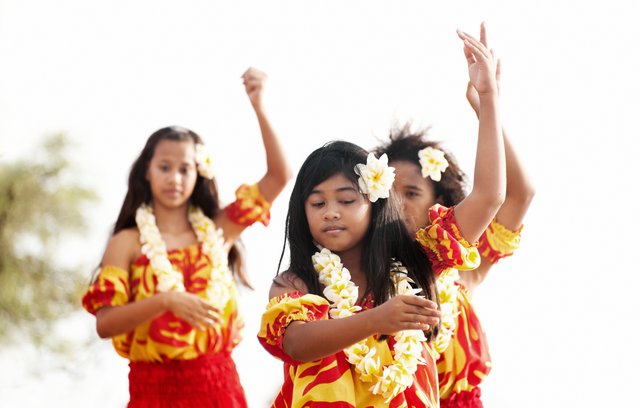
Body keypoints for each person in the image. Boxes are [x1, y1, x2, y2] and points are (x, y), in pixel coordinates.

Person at [257, 28, 504, 407]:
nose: (331, 212)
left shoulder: (416, 265)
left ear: (374, 204)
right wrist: (376, 320)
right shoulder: (296, 282)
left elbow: (489, 197)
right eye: (317, 203)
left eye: (346, 199)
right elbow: (298, 343)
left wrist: (488, 101)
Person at [82, 67, 292, 407]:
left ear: (199, 173)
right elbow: (105, 324)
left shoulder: (219, 230)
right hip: (152, 390)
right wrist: (166, 301)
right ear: (147, 170)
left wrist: (259, 106)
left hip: (218, 388)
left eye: (185, 169)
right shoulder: (127, 242)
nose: (175, 178)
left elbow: (279, 176)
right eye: (165, 167)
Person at [374, 23, 535, 407]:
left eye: (411, 192)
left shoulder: (464, 267)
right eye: (389, 192)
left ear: (441, 202)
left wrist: (487, 107)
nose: (399, 203)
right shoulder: (366, 267)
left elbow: (517, 194)